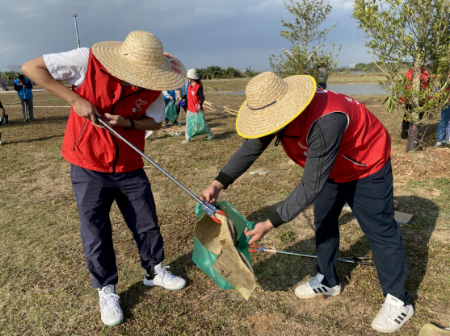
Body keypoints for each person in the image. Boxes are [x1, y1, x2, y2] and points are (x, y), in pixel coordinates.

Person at [201, 72, 413, 334]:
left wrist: (270, 223)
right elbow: (250, 148)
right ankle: (328, 279)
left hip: (365, 165)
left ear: (288, 108)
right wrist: (219, 182)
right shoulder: (277, 112)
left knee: (380, 230)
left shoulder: (326, 121)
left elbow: (311, 185)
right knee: (323, 220)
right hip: (331, 168)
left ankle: (398, 300)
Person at [22, 31, 187, 327]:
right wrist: (74, 98)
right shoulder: (87, 61)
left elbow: (157, 122)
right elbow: (31, 68)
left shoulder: (154, 84)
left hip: (129, 165)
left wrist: (128, 123)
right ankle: (106, 287)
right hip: (89, 164)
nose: (139, 80)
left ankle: (155, 271)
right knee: (95, 229)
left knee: (145, 220)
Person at [181, 69, 213, 143]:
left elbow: (202, 97)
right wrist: (184, 99)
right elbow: (187, 95)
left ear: (192, 78)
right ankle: (187, 139)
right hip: (190, 109)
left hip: (197, 109)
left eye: (188, 78)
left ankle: (210, 134)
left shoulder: (198, 87)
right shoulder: (189, 86)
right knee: (188, 125)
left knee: (202, 123)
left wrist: (200, 103)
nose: (187, 79)